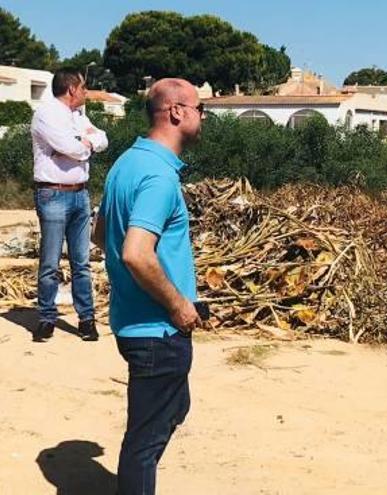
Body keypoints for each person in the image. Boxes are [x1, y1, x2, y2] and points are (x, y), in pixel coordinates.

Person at [92, 78, 204, 495]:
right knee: (144, 442)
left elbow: (100, 233)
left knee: (174, 407)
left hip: (132, 322)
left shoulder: (126, 163)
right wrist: (177, 305)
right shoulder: (158, 177)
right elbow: (136, 253)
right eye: (199, 109)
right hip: (157, 331)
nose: (202, 117)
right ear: (176, 112)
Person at [31, 68, 107, 342]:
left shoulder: (78, 115)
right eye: (84, 87)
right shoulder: (47, 114)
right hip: (52, 194)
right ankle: (46, 318)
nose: (87, 92)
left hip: (80, 194)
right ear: (72, 89)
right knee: (50, 262)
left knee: (82, 262)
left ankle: (86, 319)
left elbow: (102, 138)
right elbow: (72, 148)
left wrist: (85, 141)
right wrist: (84, 144)